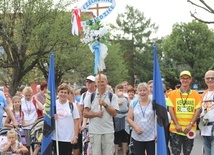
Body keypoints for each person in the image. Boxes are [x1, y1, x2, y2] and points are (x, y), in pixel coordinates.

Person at [166, 70, 201, 155]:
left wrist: (190, 125)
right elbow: (171, 110)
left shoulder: (196, 95)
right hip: (176, 129)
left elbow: (197, 110)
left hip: (189, 130)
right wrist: (177, 124)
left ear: (190, 79)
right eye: (183, 78)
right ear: (180, 79)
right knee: (176, 152)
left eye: (187, 78)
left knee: (187, 152)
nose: (185, 80)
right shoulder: (172, 94)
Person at [83, 74, 119, 155]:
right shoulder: (90, 96)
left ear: (106, 82)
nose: (100, 83)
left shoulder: (112, 96)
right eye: (98, 81)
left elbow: (114, 113)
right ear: (95, 83)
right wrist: (96, 114)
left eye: (102, 81)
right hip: (95, 132)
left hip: (108, 131)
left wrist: (105, 104)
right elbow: (85, 113)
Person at [127, 82, 155, 155]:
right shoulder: (133, 103)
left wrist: (157, 132)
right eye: (140, 90)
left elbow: (158, 118)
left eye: (144, 90)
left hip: (151, 136)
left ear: (148, 91)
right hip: (137, 136)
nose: (142, 92)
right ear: (137, 92)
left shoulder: (153, 103)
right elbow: (129, 118)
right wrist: (135, 127)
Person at [52, 84, 80, 155]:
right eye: (61, 92)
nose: (63, 94)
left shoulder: (72, 105)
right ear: (58, 92)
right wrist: (52, 117)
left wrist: (75, 136)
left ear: (68, 94)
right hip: (56, 137)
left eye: (65, 92)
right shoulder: (53, 104)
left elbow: (76, 121)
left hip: (68, 137)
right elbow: (47, 119)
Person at [200, 70, 214, 155]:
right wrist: (201, 130)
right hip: (205, 131)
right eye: (208, 78)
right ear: (204, 80)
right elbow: (202, 113)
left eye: (212, 78)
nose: (210, 80)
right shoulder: (203, 94)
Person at [21, 87, 38, 155]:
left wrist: (36, 100)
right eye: (26, 95)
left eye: (29, 95)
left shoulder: (34, 101)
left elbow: (41, 107)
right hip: (25, 126)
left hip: (34, 125)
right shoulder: (21, 101)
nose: (28, 97)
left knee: (36, 145)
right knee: (26, 145)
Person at [114, 84, 129, 155]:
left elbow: (129, 106)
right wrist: (117, 103)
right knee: (116, 135)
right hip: (117, 117)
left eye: (121, 90)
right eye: (119, 90)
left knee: (124, 135)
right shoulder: (114, 98)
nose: (120, 91)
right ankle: (116, 152)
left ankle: (124, 153)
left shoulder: (126, 98)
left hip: (125, 117)